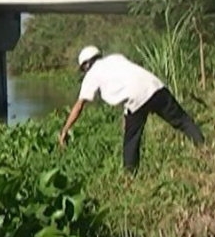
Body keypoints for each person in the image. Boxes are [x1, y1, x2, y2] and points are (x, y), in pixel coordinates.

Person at [59, 46, 205, 171]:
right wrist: (126, 115)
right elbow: (129, 80)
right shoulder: (116, 58)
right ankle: (204, 147)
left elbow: (79, 106)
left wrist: (65, 129)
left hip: (136, 99)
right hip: (155, 87)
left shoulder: (91, 75)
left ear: (85, 65)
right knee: (182, 120)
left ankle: (130, 176)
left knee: (131, 142)